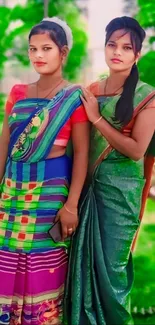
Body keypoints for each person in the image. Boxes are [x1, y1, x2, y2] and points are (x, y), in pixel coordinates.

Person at [64, 16, 155, 325]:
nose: (117, 51)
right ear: (104, 48)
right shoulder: (92, 90)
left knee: (112, 274)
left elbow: (136, 150)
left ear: (136, 54)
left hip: (120, 198)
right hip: (89, 192)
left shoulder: (148, 97)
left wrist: (97, 118)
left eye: (126, 47)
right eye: (112, 44)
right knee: (82, 270)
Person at [0, 17, 89, 325]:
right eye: (33, 49)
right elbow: (4, 146)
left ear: (63, 53)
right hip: (11, 193)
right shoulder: (18, 93)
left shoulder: (73, 99)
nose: (38, 55)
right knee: (7, 259)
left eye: (46, 48)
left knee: (42, 265)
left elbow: (81, 157)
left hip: (49, 196)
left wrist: (71, 205)